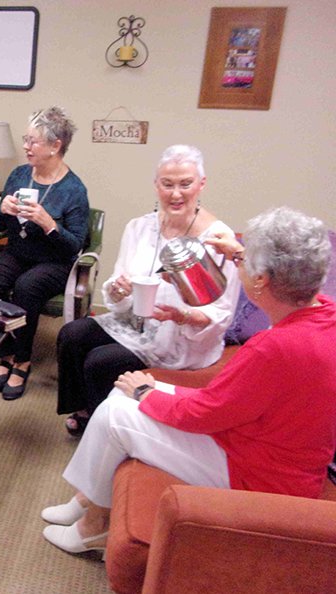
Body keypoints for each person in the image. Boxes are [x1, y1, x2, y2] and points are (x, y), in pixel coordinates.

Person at [40, 206, 336, 556]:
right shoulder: (323, 312)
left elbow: (206, 413)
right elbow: (228, 404)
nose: (238, 265)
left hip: (259, 475)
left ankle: (90, 528)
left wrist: (148, 393)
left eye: (244, 263)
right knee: (123, 393)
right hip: (266, 442)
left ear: (263, 280)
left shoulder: (275, 348)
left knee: (115, 413)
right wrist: (148, 391)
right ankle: (86, 498)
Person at [57, 145, 240, 434]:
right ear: (156, 185)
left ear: (201, 184)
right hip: (135, 320)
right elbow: (118, 287)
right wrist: (118, 291)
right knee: (72, 335)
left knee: (100, 361)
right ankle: (86, 409)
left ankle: (103, 428)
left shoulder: (218, 239)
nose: (176, 194)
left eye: (185, 184)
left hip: (180, 336)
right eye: (167, 184)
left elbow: (222, 313)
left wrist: (182, 316)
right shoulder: (139, 228)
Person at [0, 106, 89, 401]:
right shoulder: (18, 175)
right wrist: (1, 210)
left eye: (33, 142)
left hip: (55, 261)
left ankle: (22, 360)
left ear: (56, 146)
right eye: (25, 139)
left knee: (28, 287)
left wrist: (49, 224)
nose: (25, 147)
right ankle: (5, 353)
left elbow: (75, 244)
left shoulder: (74, 189)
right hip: (19, 251)